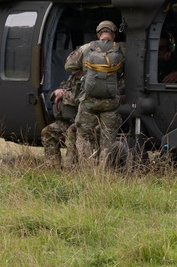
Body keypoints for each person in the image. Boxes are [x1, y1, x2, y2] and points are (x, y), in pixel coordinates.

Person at [68, 20, 125, 164]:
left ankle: (88, 170)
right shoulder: (122, 48)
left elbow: (68, 65)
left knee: (85, 137)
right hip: (110, 103)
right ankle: (104, 171)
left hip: (89, 102)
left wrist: (85, 72)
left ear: (98, 34)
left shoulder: (87, 48)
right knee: (108, 140)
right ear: (113, 34)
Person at [42, 57, 83, 168]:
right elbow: (58, 91)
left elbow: (81, 99)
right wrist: (56, 93)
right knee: (47, 132)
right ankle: (52, 166)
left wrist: (65, 96)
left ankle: (71, 168)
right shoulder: (71, 79)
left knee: (71, 133)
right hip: (66, 120)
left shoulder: (88, 80)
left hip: (81, 121)